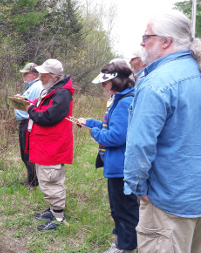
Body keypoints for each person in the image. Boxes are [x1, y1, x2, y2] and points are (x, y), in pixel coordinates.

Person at [123, 11, 201, 253]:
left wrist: (138, 187)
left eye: (147, 37)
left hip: (169, 201)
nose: (141, 42)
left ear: (166, 41)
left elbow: (139, 146)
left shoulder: (157, 83)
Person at [78, 61, 138, 253]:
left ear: (118, 81)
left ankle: (126, 247)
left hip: (121, 166)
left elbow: (115, 136)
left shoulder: (124, 101)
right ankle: (122, 242)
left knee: (124, 210)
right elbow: (110, 125)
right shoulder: (119, 99)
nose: (103, 86)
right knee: (118, 208)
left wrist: (94, 132)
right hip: (117, 165)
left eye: (105, 83)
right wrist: (89, 122)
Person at [25, 59, 74, 231]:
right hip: (46, 144)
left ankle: (59, 219)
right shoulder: (52, 90)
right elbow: (44, 112)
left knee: (52, 180)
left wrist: (30, 109)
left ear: (54, 76)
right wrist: (31, 106)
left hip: (53, 146)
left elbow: (48, 117)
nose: (40, 78)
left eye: (43, 75)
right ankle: (53, 210)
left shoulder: (62, 93)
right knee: (46, 178)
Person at [15, 63, 42, 188]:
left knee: (28, 153)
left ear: (35, 74)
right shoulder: (30, 86)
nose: (24, 76)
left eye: (27, 73)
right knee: (25, 153)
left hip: (29, 123)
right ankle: (31, 179)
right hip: (24, 123)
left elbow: (36, 106)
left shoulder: (37, 86)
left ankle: (33, 182)